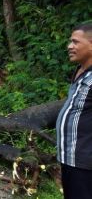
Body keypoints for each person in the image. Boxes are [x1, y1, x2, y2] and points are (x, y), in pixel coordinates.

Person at [56, 23, 92, 198]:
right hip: (69, 159)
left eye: (76, 42)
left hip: (86, 164)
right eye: (70, 42)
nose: (70, 46)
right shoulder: (80, 71)